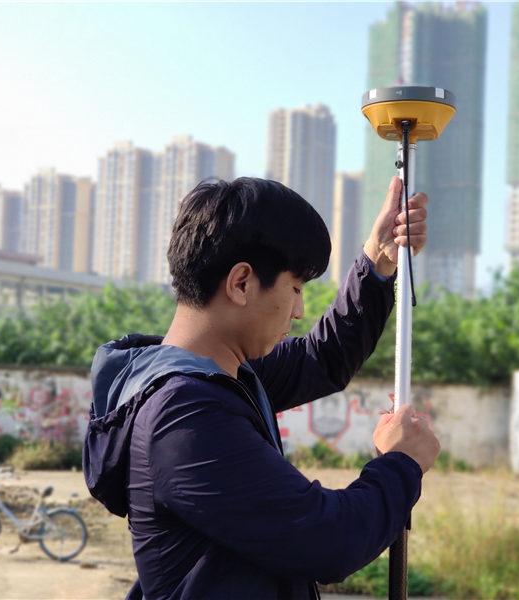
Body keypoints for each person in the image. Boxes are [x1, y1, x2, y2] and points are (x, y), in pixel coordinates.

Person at [83, 175, 441, 600]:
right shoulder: (183, 415)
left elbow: (323, 358)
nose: (298, 309)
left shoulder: (228, 375)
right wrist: (401, 463)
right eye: (294, 288)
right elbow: (325, 539)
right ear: (241, 283)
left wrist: (379, 259)